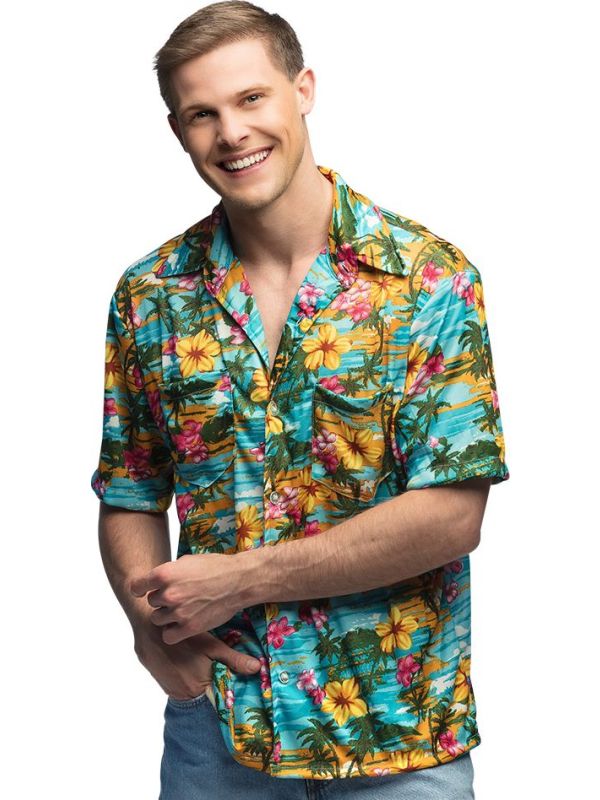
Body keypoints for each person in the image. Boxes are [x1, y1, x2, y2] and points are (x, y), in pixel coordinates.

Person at [90, 2, 510, 797]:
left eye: (251, 98)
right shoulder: (149, 295)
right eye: (202, 114)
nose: (232, 133)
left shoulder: (428, 280)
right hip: (219, 731)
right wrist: (148, 622)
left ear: (303, 89)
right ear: (178, 131)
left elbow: (452, 515)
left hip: (398, 739)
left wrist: (242, 578)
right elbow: (131, 489)